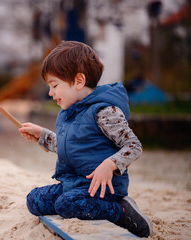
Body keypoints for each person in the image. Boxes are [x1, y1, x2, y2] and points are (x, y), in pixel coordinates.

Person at [19, 41, 153, 237]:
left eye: (54, 85)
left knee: (66, 205)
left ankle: (122, 212)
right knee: (34, 200)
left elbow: (133, 146)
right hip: (73, 184)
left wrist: (109, 165)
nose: (50, 93)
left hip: (101, 189)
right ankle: (77, 202)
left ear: (79, 81)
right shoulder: (67, 113)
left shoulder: (104, 112)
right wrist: (42, 135)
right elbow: (70, 146)